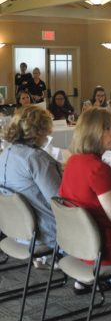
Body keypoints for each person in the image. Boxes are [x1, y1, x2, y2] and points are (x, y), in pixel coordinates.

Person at [59, 108, 111, 268]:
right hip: (107, 249)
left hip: (80, 244)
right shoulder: (99, 169)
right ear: (92, 133)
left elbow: (90, 200)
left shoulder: (73, 161)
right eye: (108, 128)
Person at [0, 106, 61, 248]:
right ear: (40, 131)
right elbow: (59, 201)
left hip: (16, 231)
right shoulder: (36, 158)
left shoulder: (5, 154)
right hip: (45, 235)